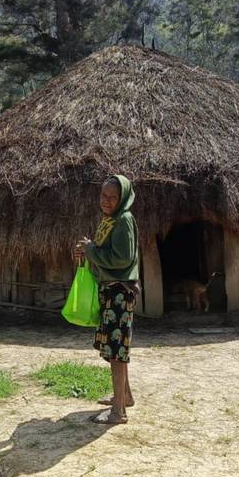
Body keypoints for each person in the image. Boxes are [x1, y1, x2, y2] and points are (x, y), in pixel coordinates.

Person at [74, 175, 139, 425]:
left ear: (122, 197)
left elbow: (122, 259)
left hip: (119, 293)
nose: (107, 201)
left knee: (117, 352)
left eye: (113, 197)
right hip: (111, 291)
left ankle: (118, 412)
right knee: (115, 348)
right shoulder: (111, 220)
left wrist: (91, 250)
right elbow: (105, 254)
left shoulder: (123, 220)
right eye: (103, 196)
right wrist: (88, 251)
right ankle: (125, 397)